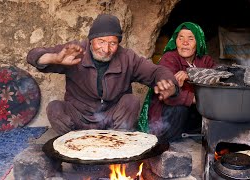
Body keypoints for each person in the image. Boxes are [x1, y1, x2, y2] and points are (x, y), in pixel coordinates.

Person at [27, 14, 178, 135]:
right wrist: (56, 58)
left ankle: (118, 149)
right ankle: (76, 151)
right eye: (101, 41)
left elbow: (156, 71)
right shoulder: (76, 51)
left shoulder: (127, 58)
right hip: (80, 116)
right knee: (55, 108)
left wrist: (168, 83)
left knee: (131, 100)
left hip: (112, 119)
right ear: (91, 40)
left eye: (112, 43)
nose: (106, 49)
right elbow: (33, 55)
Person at [147, 22, 215, 141]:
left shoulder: (204, 60)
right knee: (179, 108)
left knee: (211, 107)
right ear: (175, 41)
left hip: (191, 115)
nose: (185, 43)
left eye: (190, 38)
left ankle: (196, 135)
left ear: (198, 42)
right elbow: (168, 94)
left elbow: (218, 75)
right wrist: (196, 99)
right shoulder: (169, 58)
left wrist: (191, 75)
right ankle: (169, 141)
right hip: (166, 117)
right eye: (181, 38)